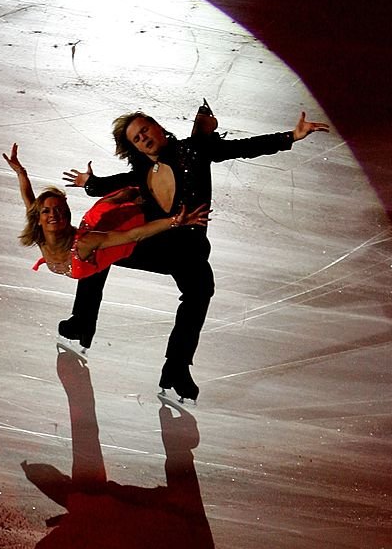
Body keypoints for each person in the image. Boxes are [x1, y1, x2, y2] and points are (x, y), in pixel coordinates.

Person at [61, 105, 329, 401]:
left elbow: (244, 148)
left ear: (158, 126)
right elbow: (111, 183)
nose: (145, 138)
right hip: (154, 243)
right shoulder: (140, 171)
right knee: (99, 248)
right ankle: (81, 322)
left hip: (188, 248)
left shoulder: (194, 150)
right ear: (134, 146)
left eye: (146, 130)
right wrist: (90, 183)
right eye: (137, 138)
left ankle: (176, 369)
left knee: (200, 289)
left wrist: (291, 136)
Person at [2, 144, 209, 305]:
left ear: (67, 215)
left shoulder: (83, 243)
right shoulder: (41, 235)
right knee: (127, 197)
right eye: (46, 211)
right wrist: (21, 173)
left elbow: (133, 235)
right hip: (102, 225)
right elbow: (30, 201)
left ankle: (172, 163)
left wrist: (175, 221)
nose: (52, 215)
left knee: (138, 197)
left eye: (58, 210)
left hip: (112, 226)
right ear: (38, 219)